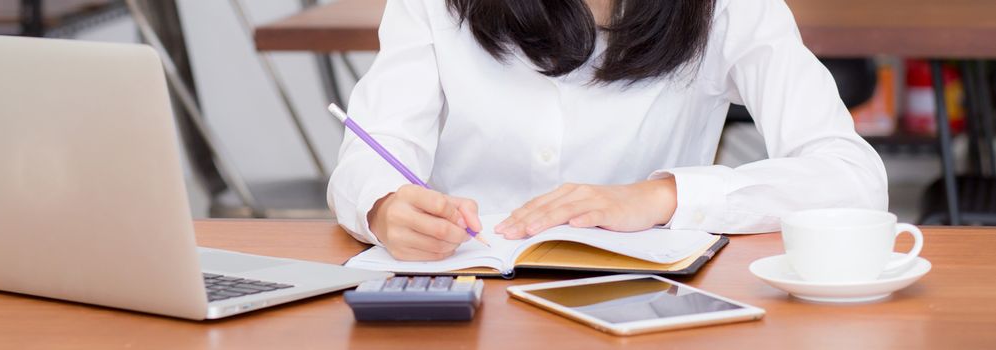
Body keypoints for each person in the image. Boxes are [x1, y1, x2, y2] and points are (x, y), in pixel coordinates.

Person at [327, 0, 888, 261]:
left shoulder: (728, 9)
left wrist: (663, 195)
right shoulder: (434, 5)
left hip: (647, 306)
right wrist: (382, 205)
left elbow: (851, 176)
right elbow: (371, 154)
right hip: (464, 294)